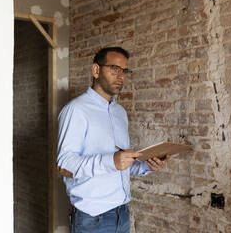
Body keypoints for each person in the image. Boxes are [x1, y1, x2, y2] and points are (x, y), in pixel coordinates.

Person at [57, 47, 169, 233]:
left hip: (122, 213)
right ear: (96, 70)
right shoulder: (76, 110)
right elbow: (64, 165)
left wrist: (147, 166)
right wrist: (111, 161)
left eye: (124, 71)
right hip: (92, 218)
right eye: (114, 68)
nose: (121, 76)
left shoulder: (120, 112)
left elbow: (120, 165)